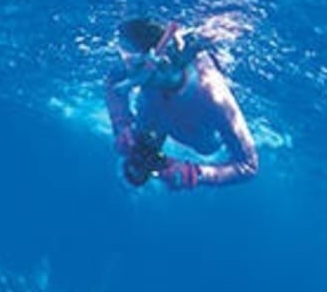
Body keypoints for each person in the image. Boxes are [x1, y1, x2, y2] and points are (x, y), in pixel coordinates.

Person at [105, 17, 258, 189]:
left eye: (137, 65)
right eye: (127, 61)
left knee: (205, 147)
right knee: (139, 150)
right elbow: (113, 78)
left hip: (197, 134)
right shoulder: (141, 65)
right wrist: (121, 124)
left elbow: (249, 165)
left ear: (164, 63)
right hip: (156, 115)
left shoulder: (213, 95)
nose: (130, 75)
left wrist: (196, 173)